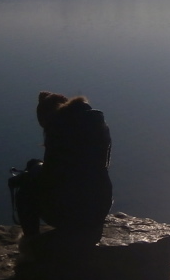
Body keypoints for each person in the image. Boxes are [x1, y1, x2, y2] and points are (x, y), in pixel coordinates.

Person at [14, 91, 113, 243]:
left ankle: (30, 243)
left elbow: (51, 177)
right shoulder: (96, 125)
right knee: (34, 169)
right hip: (99, 208)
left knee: (24, 191)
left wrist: (31, 173)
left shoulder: (59, 131)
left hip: (74, 214)